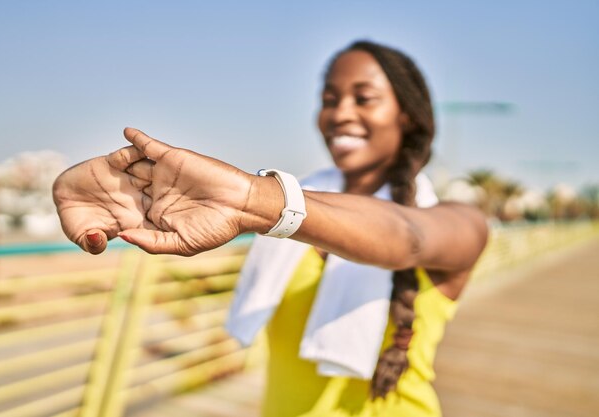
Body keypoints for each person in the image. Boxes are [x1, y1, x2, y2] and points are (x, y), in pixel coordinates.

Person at [53, 40, 487, 416]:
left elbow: (406, 237)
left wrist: (252, 198)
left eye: (364, 98)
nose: (340, 113)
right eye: (330, 99)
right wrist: (142, 203)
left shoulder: (461, 223)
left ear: (407, 116)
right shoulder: (296, 210)